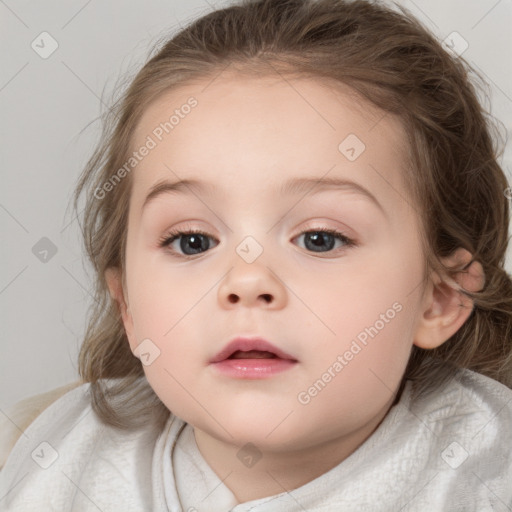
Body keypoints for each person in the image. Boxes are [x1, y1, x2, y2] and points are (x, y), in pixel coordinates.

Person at [1, 0, 511, 510]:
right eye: (192, 241)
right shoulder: (46, 460)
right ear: (126, 306)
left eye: (320, 239)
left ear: (438, 298)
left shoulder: (483, 485)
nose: (247, 281)